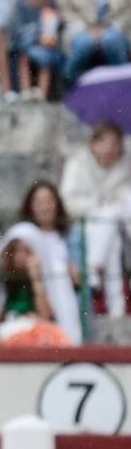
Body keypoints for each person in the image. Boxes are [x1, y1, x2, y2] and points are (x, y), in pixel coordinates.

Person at [60, 121, 131, 316]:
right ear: (93, 144)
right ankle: (114, 302)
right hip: (84, 225)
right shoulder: (77, 165)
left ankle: (94, 273)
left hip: (116, 228)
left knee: (113, 232)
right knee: (108, 220)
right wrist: (99, 205)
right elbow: (69, 203)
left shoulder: (125, 167)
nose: (109, 149)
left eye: (114, 144)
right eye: (104, 143)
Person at [14, 179, 83, 341]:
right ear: (30, 206)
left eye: (49, 201)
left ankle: (70, 337)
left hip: (67, 296)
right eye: (39, 202)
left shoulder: (71, 235)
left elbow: (81, 277)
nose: (44, 207)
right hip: (32, 297)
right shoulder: (23, 235)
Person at [0, 221, 79, 343]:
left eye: (26, 251)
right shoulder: (3, 278)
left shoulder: (49, 276)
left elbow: (46, 316)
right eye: (16, 251)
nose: (21, 257)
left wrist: (36, 278)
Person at [9, 0, 64, 99]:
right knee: (23, 54)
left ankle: (41, 92)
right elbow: (17, 27)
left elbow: (53, 20)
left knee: (46, 55)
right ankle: (25, 91)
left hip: (47, 41)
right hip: (26, 41)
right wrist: (34, 35)